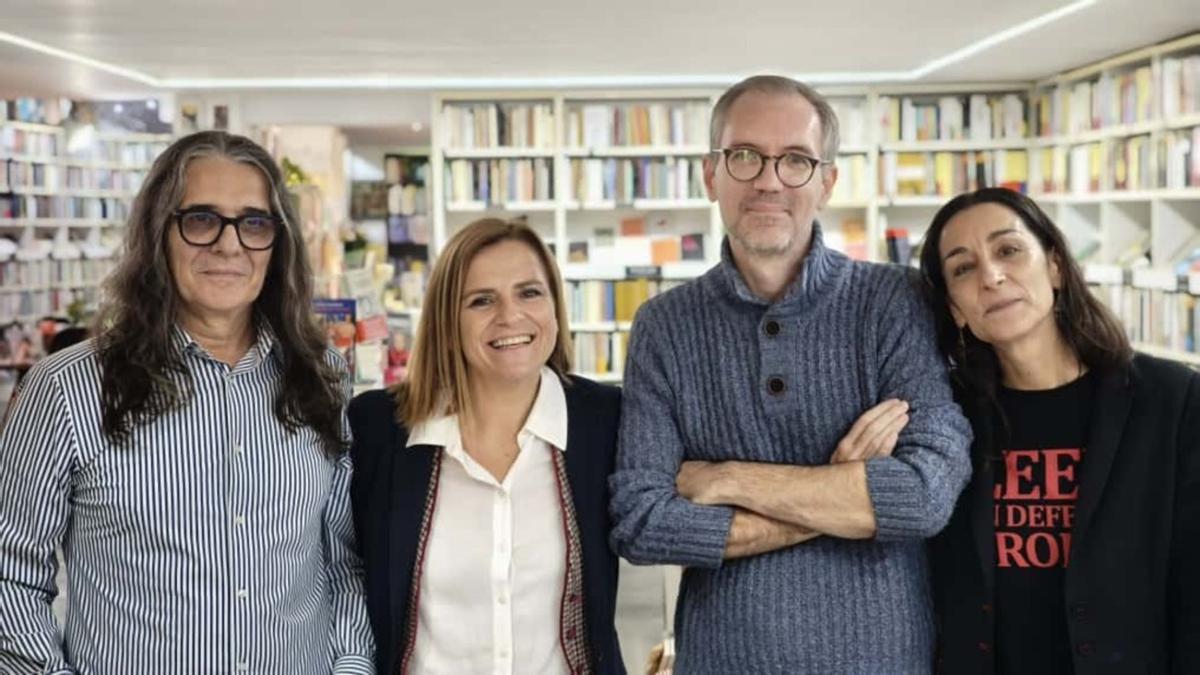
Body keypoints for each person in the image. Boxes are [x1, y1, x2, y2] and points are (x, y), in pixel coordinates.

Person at [608, 74, 974, 672]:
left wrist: (727, 477)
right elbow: (642, 522)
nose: (769, 180)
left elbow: (924, 494)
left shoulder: (895, 300)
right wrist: (842, 489)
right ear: (711, 175)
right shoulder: (664, 326)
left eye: (796, 160)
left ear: (826, 182)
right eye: (745, 156)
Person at [0, 131, 374, 673]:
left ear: (278, 243)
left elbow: (342, 561)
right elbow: (11, 575)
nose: (229, 246)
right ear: (158, 233)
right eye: (201, 220)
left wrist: (352, 664)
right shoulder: (68, 388)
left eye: (254, 223)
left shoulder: (322, 376)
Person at [919, 187, 1200, 674]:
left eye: (1009, 250)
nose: (991, 276)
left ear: (1055, 266)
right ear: (955, 307)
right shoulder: (944, 416)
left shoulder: (1173, 401)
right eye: (963, 268)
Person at [348, 218, 625, 674]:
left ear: (556, 306)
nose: (510, 316)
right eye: (481, 300)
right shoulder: (378, 430)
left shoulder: (606, 421)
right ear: (446, 322)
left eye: (529, 293)